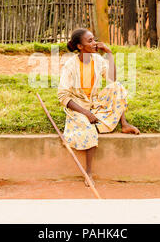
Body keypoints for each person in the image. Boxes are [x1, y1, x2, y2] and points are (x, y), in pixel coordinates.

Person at [57, 28, 140, 186]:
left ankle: (124, 124)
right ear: (80, 47)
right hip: (78, 107)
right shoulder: (70, 65)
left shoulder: (97, 60)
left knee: (118, 87)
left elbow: (112, 79)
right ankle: (88, 172)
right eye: (90, 41)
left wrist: (109, 53)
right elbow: (63, 97)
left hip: (94, 103)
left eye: (94, 39)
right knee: (89, 128)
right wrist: (86, 113)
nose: (94, 43)